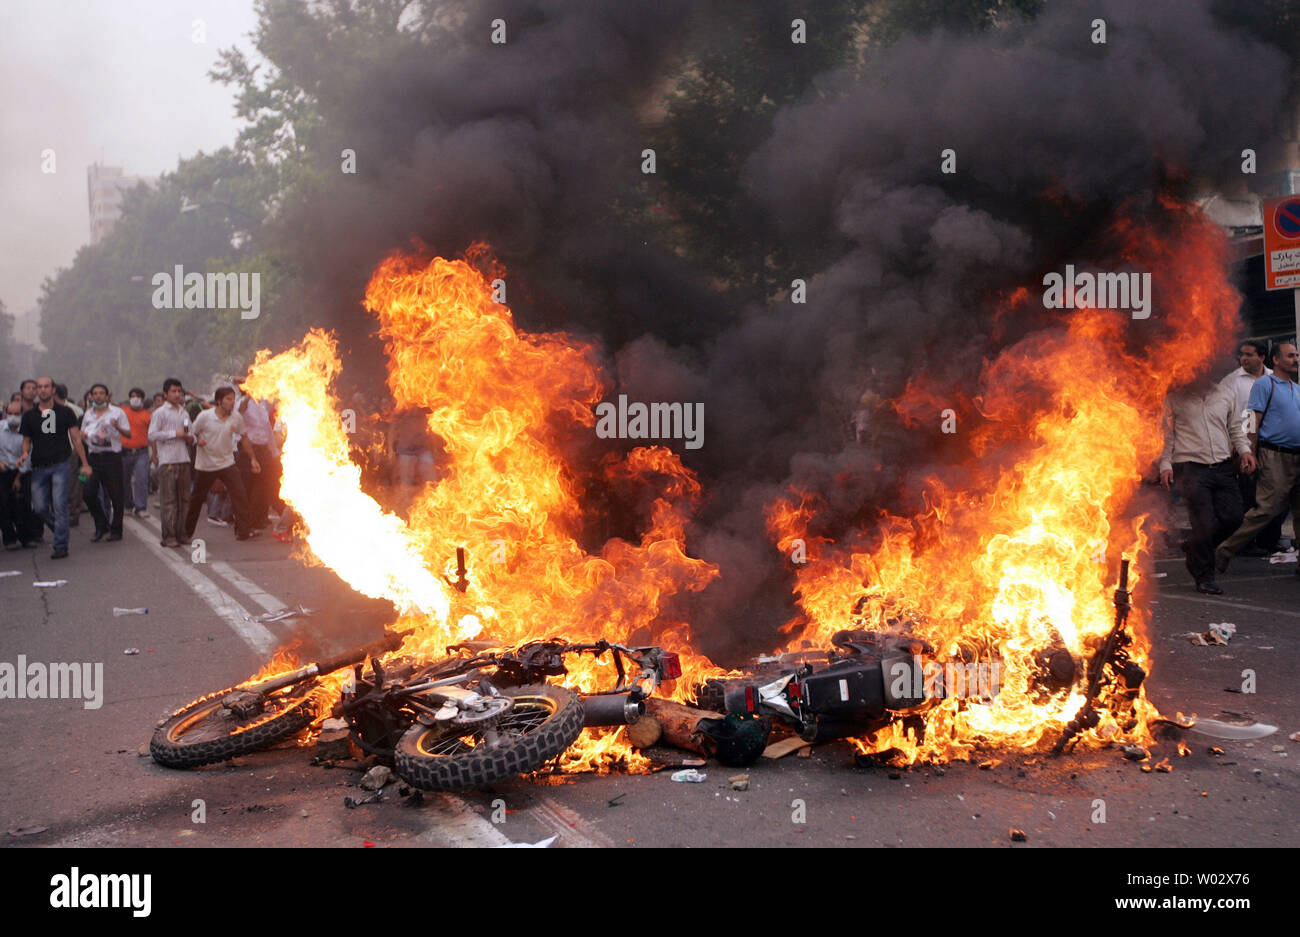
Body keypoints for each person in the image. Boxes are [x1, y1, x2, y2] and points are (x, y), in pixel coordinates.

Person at [1159, 374, 1254, 594]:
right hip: (1192, 469)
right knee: (1202, 524)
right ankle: (1204, 577)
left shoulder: (1225, 394)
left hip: (1222, 466)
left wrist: (1245, 451)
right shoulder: (1174, 400)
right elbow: (1167, 437)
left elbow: (1235, 429)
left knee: (1234, 517)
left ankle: (1195, 547)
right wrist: (1165, 465)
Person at [1217, 341, 1300, 577]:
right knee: (1266, 509)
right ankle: (1225, 549)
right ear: (1275, 359)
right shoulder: (1265, 384)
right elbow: (1253, 420)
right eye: (1290, 356)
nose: (1295, 359)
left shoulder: (1296, 388)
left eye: (1296, 355)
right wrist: (1249, 452)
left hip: (1297, 456)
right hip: (1274, 455)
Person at [1220, 339, 1285, 554]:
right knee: (1248, 496)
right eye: (1242, 354)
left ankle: (1269, 540)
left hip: (1274, 445)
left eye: (1249, 354)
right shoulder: (1232, 381)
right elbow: (1226, 415)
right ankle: (1246, 543)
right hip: (1246, 444)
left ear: (1262, 357)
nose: (1243, 359)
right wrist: (1239, 448)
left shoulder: (1274, 379)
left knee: (1277, 495)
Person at [17, 376, 91, 559]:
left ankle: (60, 545)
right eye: (39, 387)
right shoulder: (29, 416)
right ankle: (59, 527)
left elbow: (76, 439)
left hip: (60, 464)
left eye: (46, 386)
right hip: (38, 466)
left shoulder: (65, 412)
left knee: (59, 505)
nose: (42, 390)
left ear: (52, 390)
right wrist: (24, 453)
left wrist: (85, 464)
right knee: (40, 507)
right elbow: (26, 441)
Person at [183, 386, 261, 541]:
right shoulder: (205, 417)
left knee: (240, 495)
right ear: (219, 401)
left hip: (227, 463)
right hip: (206, 465)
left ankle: (243, 530)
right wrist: (199, 440)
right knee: (197, 500)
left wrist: (253, 458)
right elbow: (192, 433)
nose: (232, 403)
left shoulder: (236, 417)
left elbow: (244, 437)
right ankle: (186, 532)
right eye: (228, 399)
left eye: (233, 398)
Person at [80, 383, 132, 542]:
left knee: (116, 495)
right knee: (88, 493)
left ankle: (116, 529)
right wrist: (85, 435)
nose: (98, 396)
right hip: (94, 458)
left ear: (107, 395)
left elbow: (128, 434)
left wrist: (117, 428)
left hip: (112, 458)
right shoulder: (88, 414)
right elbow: (82, 433)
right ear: (91, 396)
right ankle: (101, 524)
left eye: (101, 393)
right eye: (95, 393)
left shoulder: (117, 413)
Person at [149, 378, 195, 547]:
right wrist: (174, 433)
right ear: (165, 394)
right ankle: (168, 536)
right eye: (173, 391)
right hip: (167, 460)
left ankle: (181, 533)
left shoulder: (184, 412)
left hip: (183, 458)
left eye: (179, 391)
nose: (177, 395)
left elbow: (190, 431)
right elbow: (152, 435)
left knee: (184, 500)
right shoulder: (160, 413)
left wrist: (191, 437)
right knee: (169, 501)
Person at [236, 385, 280, 528]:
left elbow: (267, 430)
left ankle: (258, 519)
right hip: (248, 450)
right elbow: (240, 410)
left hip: (263, 450)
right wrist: (249, 394)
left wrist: (274, 451)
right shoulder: (242, 402)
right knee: (247, 486)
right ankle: (245, 523)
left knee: (263, 485)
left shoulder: (261, 406)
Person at [0, 398, 37, 549]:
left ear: (22, 414)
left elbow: (28, 455)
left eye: (16, 413)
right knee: (3, 505)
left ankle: (26, 537)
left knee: (23, 505)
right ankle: (9, 538)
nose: (13, 416)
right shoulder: (1, 429)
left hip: (22, 472)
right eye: (10, 413)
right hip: (3, 470)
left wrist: (18, 477)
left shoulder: (27, 431)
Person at [120, 387, 152, 517]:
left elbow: (152, 435)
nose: (135, 399)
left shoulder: (147, 416)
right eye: (132, 396)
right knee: (124, 479)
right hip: (124, 451)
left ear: (143, 400)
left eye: (138, 396)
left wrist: (154, 453)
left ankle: (140, 507)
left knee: (141, 479)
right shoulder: (122, 412)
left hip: (142, 452)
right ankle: (128, 505)